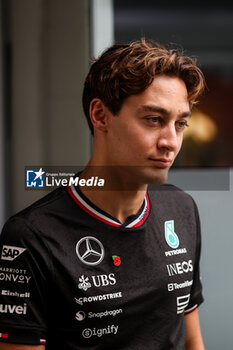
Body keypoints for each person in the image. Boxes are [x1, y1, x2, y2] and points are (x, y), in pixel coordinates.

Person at [0, 39, 205, 349]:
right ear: (101, 115)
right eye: (154, 119)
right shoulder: (31, 237)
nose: (171, 141)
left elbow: (192, 340)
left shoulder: (181, 209)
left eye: (180, 123)